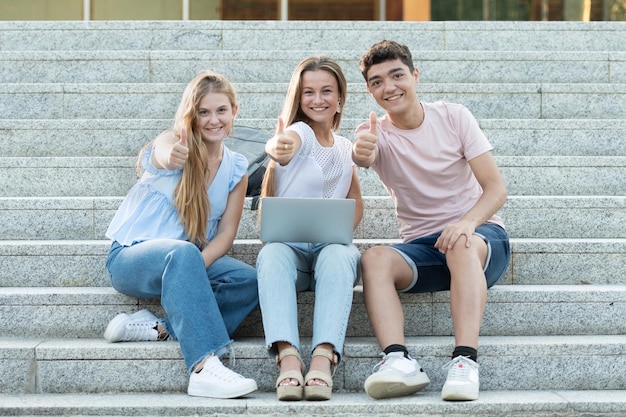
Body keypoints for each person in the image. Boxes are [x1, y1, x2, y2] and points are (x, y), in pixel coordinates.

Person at [352, 40, 511, 401]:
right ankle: (397, 360)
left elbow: (496, 188)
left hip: (482, 237)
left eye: (397, 75)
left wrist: (467, 223)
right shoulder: (374, 131)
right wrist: (361, 153)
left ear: (415, 75)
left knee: (460, 243)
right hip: (424, 247)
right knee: (374, 258)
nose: (389, 87)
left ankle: (465, 361)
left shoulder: (454, 116)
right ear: (370, 90)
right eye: (377, 82)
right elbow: (365, 152)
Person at [102, 70, 259, 399]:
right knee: (183, 252)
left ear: (234, 111)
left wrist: (193, 270)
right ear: (192, 115)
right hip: (132, 259)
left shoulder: (236, 167)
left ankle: (159, 328)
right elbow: (161, 152)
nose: (213, 120)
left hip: (184, 260)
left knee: (251, 280)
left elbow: (226, 234)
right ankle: (203, 365)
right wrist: (169, 155)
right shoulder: (175, 143)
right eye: (203, 112)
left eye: (220, 110)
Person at [256, 55, 364, 402]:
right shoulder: (299, 132)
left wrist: (341, 230)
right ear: (298, 99)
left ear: (340, 97)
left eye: (326, 91)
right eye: (308, 93)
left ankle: (323, 358)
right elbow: (283, 146)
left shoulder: (346, 147)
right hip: (292, 255)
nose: (318, 100)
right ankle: (288, 358)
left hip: (328, 254)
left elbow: (355, 202)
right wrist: (277, 147)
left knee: (338, 254)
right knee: (271, 254)